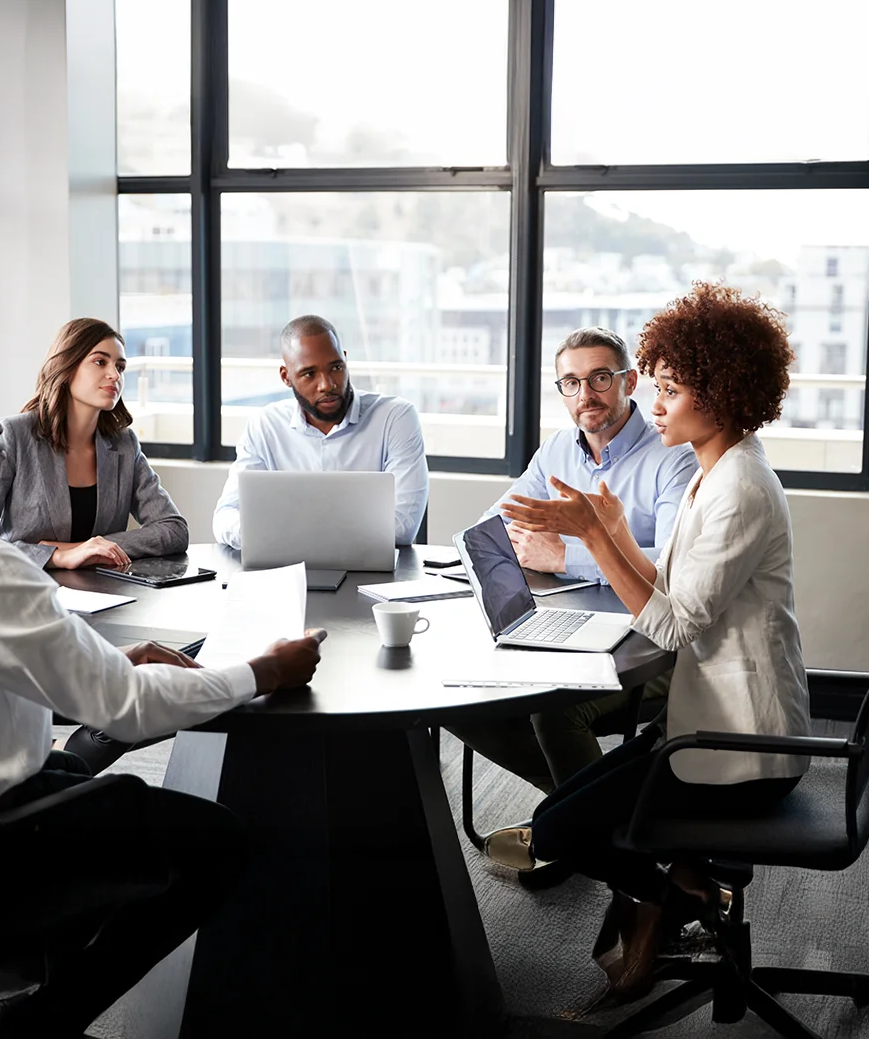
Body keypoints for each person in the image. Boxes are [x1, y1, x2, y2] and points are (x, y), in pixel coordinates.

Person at [0, 335, 326, 1038]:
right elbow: (127, 715)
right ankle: (38, 1026)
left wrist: (110, 660)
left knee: (79, 771)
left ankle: (29, 984)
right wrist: (264, 670)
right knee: (214, 842)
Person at [500, 282, 811, 999]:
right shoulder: (718, 470)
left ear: (724, 393)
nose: (657, 404)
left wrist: (591, 539)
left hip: (741, 746)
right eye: (659, 386)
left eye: (671, 389)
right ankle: (683, 896)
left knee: (559, 832)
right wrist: (610, 529)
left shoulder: (739, 489)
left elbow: (668, 625)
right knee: (558, 820)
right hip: (702, 723)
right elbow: (669, 586)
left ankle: (675, 900)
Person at [450, 329, 696, 868]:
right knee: (456, 698)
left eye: (600, 378)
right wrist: (479, 554)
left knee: (556, 710)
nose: (586, 394)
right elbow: (499, 523)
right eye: (571, 382)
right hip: (576, 625)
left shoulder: (672, 453)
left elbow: (670, 564)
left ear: (630, 381)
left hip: (656, 644)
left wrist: (566, 557)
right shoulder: (560, 447)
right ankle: (582, 818)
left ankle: (580, 831)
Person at [0, 318, 189, 772]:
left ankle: (71, 761)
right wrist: (57, 553)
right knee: (140, 685)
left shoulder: (122, 443)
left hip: (110, 609)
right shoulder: (15, 436)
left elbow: (173, 527)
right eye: (99, 362)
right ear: (65, 367)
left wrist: (92, 544)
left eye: (120, 366)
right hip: (30, 610)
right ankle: (68, 770)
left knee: (175, 672)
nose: (114, 376)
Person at [212, 315, 429, 549]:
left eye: (336, 367)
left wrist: (280, 534)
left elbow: (403, 527)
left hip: (371, 577)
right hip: (287, 572)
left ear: (345, 360)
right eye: (309, 374)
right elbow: (226, 515)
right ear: (286, 377)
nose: (327, 385)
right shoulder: (265, 425)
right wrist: (258, 534)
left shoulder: (394, 417)